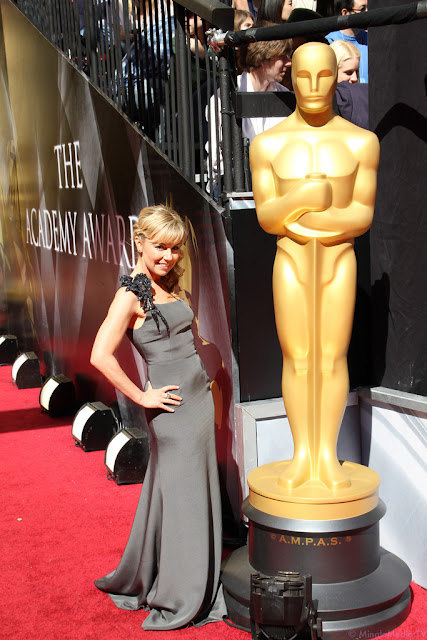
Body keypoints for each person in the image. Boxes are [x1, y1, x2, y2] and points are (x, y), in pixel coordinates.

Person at [249, 42, 379, 491]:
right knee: (298, 356)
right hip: (291, 258)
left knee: (332, 356)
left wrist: (308, 219)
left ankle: (326, 453)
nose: (313, 86)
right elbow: (267, 217)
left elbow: (361, 214)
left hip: (339, 258)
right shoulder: (268, 144)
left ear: (336, 76)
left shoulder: (361, 142)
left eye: (324, 75)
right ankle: (302, 453)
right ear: (290, 77)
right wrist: (304, 198)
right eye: (303, 76)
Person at [91, 205, 226, 629]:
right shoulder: (130, 295)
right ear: (140, 242)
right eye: (160, 247)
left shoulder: (167, 284)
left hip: (198, 402)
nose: (169, 256)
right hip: (172, 411)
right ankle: (181, 592)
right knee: (184, 498)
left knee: (182, 492)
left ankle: (174, 570)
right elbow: (100, 354)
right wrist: (140, 397)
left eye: (175, 248)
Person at [206, 33, 292, 194]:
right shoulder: (225, 96)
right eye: (282, 56)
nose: (289, 62)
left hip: (275, 182)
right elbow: (219, 157)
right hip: (235, 184)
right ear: (263, 58)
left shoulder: (285, 95)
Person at [325, 0, 368, 83]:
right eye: (362, 9)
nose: (367, 13)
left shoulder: (372, 39)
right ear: (345, 13)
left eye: (368, 8)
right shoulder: (329, 42)